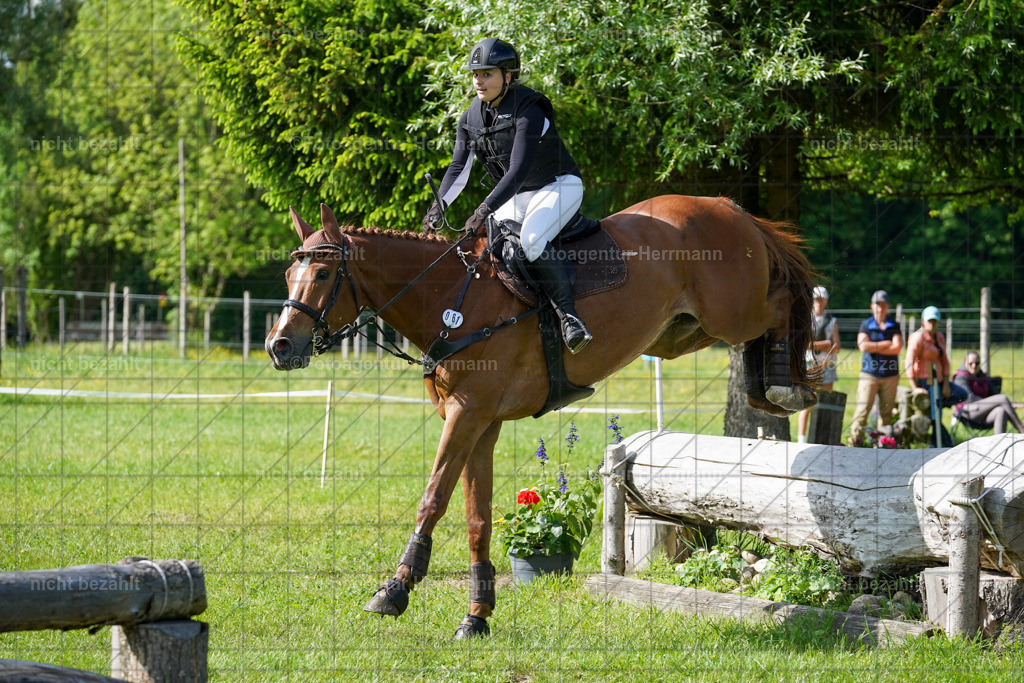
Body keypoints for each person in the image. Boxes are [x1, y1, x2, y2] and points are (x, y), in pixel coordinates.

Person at [423, 38, 592, 353]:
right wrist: (438, 207)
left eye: (487, 74)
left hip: (558, 185)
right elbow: (458, 168)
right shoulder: (470, 118)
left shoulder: (529, 110)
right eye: (476, 74)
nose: (478, 80)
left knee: (531, 240)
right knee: (487, 246)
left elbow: (518, 170)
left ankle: (569, 317)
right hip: (518, 195)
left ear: (508, 76)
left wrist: (483, 209)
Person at [848, 290, 903, 444]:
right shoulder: (866, 324)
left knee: (886, 415)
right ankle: (854, 444)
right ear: (872, 306)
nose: (880, 308)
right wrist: (885, 344)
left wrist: (873, 346)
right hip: (869, 374)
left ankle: (882, 445)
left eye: (883, 304)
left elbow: (897, 348)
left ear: (888, 306)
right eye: (877, 304)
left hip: (890, 375)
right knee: (862, 412)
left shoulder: (894, 325)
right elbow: (863, 346)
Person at [797, 286, 840, 443]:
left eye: (821, 300)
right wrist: (826, 344)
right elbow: (805, 344)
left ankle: (822, 437)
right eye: (816, 299)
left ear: (826, 301)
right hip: (810, 364)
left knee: (825, 403)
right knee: (807, 403)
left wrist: (826, 346)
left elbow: (837, 346)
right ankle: (801, 438)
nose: (818, 302)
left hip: (827, 365)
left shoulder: (832, 321)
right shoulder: (806, 319)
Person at [904, 306, 967, 406]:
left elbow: (945, 360)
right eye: (929, 321)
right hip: (924, 381)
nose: (932, 323)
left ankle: (937, 405)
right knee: (936, 406)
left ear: (938, 322)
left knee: (962, 394)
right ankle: (935, 407)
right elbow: (909, 362)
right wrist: (915, 388)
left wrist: (946, 383)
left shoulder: (939, 336)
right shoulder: (918, 337)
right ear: (923, 321)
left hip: (940, 380)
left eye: (934, 321)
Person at [951, 351, 1024, 434]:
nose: (974, 366)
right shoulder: (960, 377)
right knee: (1002, 398)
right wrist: (994, 403)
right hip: (967, 413)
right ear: (965, 363)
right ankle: (1022, 431)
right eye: (970, 363)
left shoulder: (983, 377)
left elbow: (995, 394)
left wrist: (1007, 405)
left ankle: (999, 441)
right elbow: (969, 398)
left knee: (1001, 410)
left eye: (977, 363)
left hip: (984, 413)